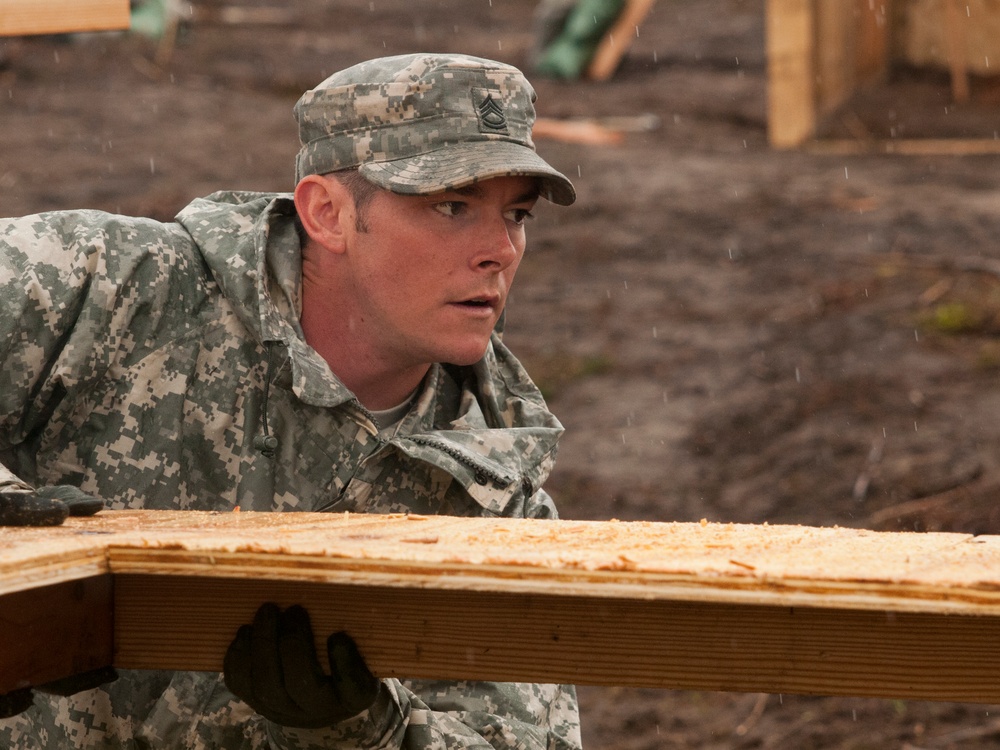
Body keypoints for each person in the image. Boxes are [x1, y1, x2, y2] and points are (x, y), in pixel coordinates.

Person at [0, 53, 581, 749]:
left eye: (516, 214)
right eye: (452, 206)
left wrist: (364, 727)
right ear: (327, 213)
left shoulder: (495, 485)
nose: (499, 250)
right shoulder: (117, 288)